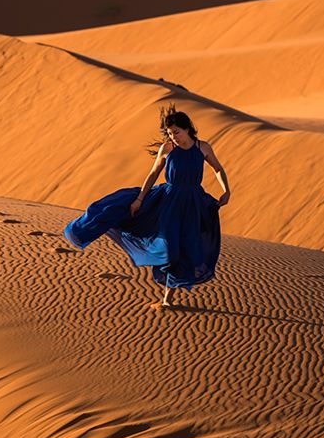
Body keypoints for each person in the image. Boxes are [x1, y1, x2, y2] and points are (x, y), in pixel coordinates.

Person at [63, 103, 231, 308]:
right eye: (169, 133)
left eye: (176, 132)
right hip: (168, 202)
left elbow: (218, 169)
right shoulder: (167, 148)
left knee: (185, 248)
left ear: (187, 128)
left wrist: (226, 190)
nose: (173, 137)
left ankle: (168, 298)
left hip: (192, 204)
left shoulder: (202, 147)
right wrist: (140, 199)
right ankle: (82, 230)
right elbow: (153, 174)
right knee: (169, 247)